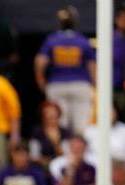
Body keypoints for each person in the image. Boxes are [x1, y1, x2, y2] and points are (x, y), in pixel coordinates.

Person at [35, 6, 95, 135]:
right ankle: (78, 153)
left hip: (57, 85)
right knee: (81, 127)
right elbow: (92, 65)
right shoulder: (82, 40)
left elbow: (40, 60)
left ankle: (64, 153)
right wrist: (95, 85)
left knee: (61, 126)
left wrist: (40, 79)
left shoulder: (52, 40)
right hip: (80, 85)